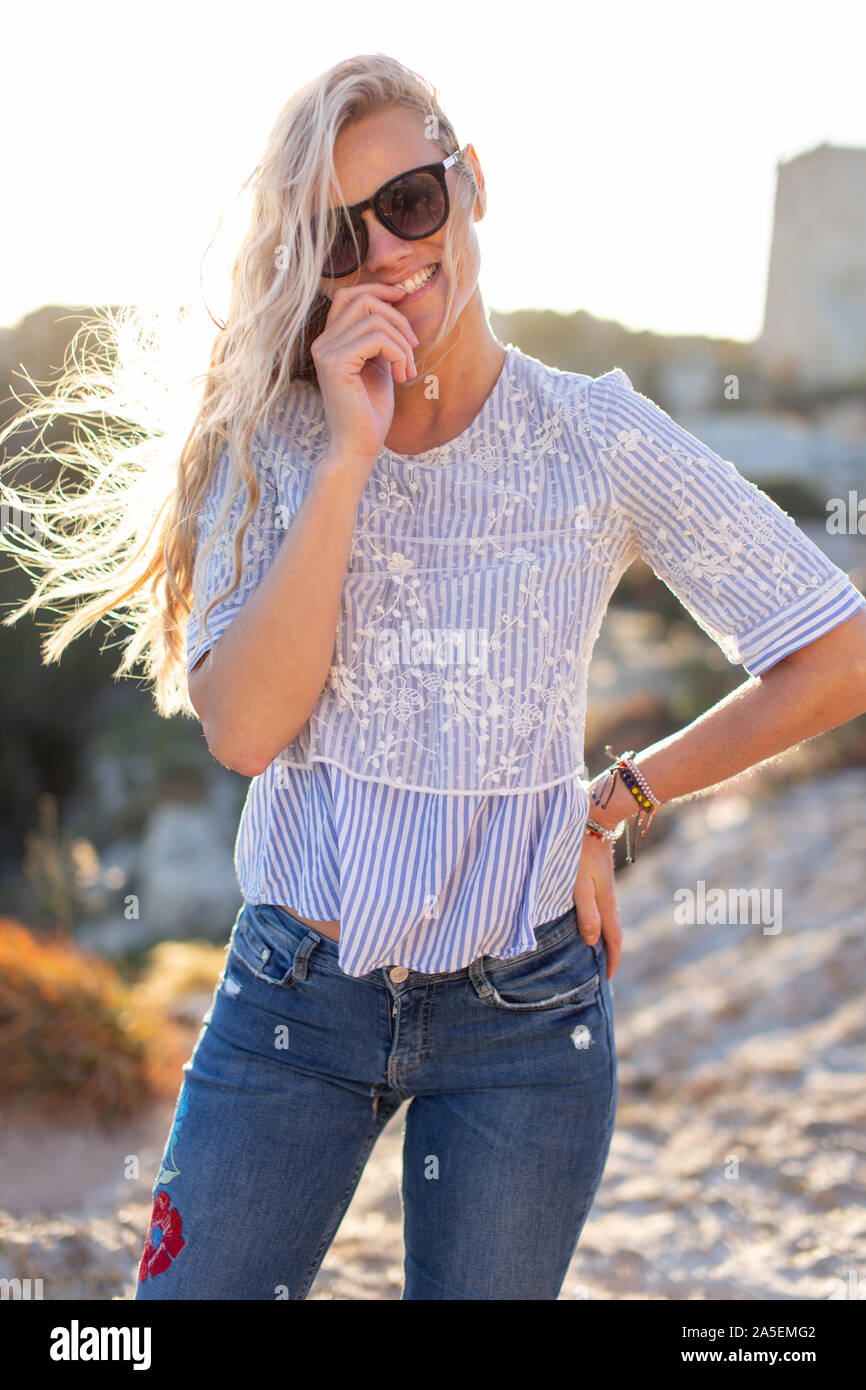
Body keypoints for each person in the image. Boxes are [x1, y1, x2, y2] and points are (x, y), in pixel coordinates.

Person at [4, 53, 866, 1301]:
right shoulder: (274, 438)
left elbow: (833, 650)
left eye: (408, 202)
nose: (386, 256)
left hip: (524, 1020)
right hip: (293, 997)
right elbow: (246, 732)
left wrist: (615, 797)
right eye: (336, 237)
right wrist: (350, 456)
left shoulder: (594, 435)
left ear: (468, 186)